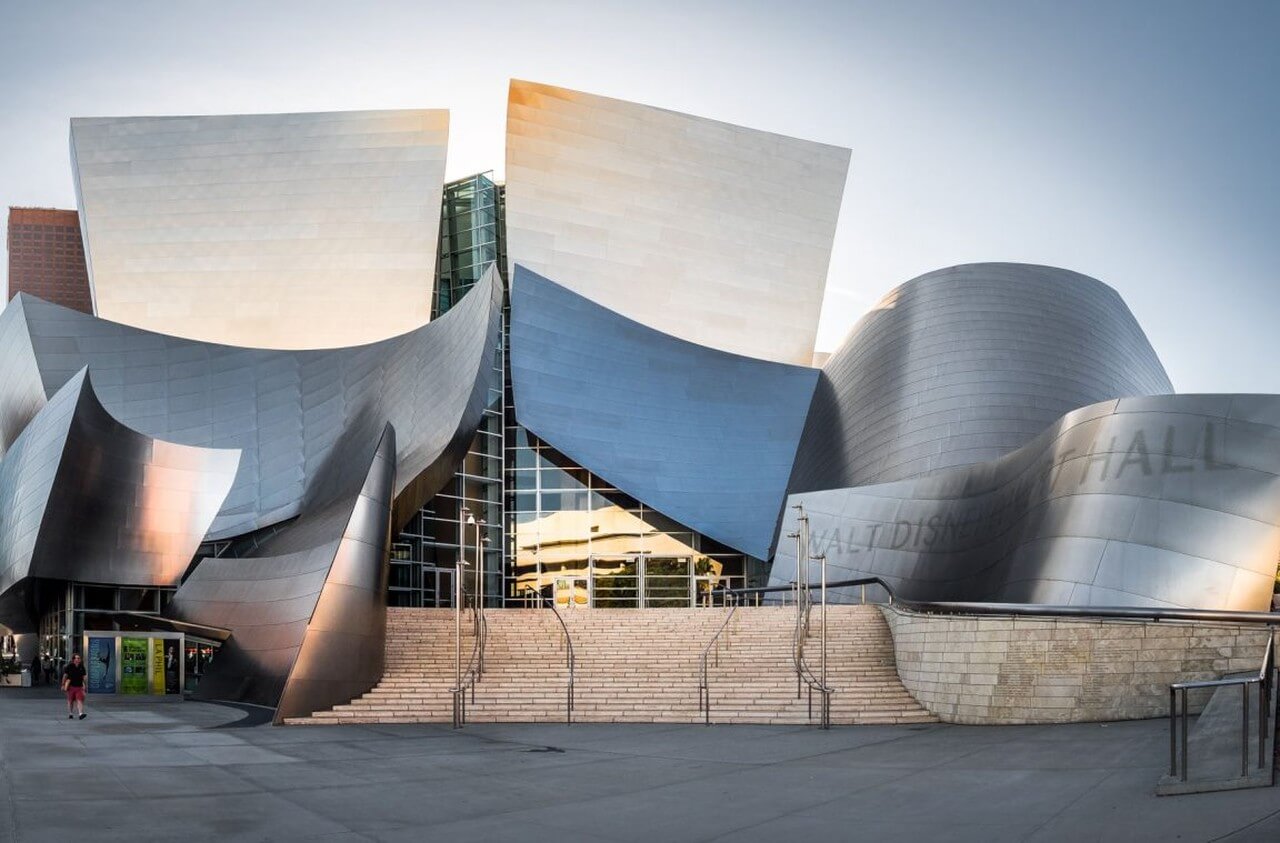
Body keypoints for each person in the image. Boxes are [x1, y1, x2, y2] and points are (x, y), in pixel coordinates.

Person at [61, 653, 87, 720]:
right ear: (73, 659)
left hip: (79, 687)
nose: (78, 659)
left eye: (79, 658)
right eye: (76, 658)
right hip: (71, 687)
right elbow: (65, 676)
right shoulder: (69, 666)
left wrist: (84, 684)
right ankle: (70, 713)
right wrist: (63, 684)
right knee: (70, 701)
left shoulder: (82, 667)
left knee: (79, 700)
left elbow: (84, 676)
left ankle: (80, 714)